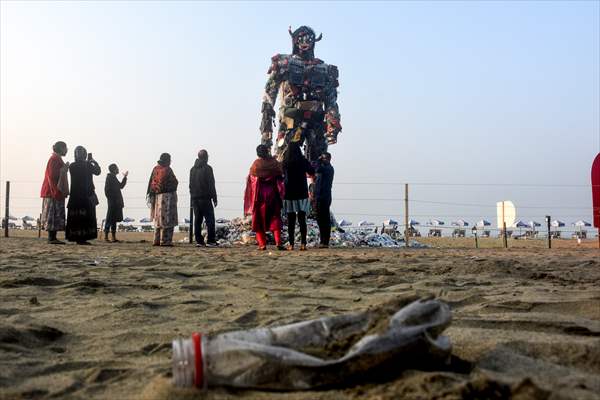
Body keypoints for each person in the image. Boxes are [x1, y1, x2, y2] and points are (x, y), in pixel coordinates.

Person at [244, 144, 285, 251]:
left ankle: (262, 245)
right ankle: (278, 242)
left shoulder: (256, 165)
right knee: (275, 218)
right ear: (267, 151)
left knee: (258, 220)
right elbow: (280, 176)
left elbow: (251, 180)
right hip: (273, 195)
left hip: (259, 197)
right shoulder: (274, 163)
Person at [65, 146, 101, 244]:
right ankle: (83, 238)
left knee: (76, 218)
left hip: (75, 196)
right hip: (87, 195)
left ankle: (76, 237)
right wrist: (93, 162)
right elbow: (98, 171)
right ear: (85, 155)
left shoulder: (72, 166)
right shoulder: (88, 165)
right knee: (86, 218)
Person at [282, 143, 314, 250]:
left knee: (291, 221)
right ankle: (303, 244)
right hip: (301, 193)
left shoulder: (285, 162)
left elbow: (280, 174)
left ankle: (291, 245)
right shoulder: (302, 160)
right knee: (302, 220)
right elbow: (311, 171)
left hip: (289, 194)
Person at [40, 141, 69, 244]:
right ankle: (51, 238)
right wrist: (56, 191)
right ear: (61, 149)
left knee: (54, 214)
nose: (66, 150)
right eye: (65, 148)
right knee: (52, 214)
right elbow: (52, 176)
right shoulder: (54, 159)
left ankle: (53, 237)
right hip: (52, 192)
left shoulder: (56, 158)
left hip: (54, 191)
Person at [147, 153, 178, 246]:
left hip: (157, 197)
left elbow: (152, 183)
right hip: (167, 197)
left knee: (158, 218)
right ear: (167, 160)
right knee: (167, 218)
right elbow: (174, 182)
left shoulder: (155, 169)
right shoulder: (167, 170)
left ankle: (156, 240)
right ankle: (165, 241)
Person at [189, 149, 218, 247]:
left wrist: (192, 196)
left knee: (197, 220)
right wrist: (214, 198)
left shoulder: (192, 169)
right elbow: (211, 184)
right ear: (206, 157)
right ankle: (211, 241)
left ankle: (199, 241)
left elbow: (190, 185)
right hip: (205, 198)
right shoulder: (208, 168)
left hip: (195, 198)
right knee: (210, 220)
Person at [104, 163, 128, 242]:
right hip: (112, 202)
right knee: (110, 218)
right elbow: (107, 191)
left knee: (113, 219)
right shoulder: (110, 177)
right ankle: (106, 237)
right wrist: (112, 199)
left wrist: (125, 177)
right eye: (117, 168)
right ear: (114, 169)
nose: (118, 169)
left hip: (115, 202)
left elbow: (120, 186)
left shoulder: (112, 177)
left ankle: (113, 237)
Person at [315, 152, 334, 248]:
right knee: (320, 219)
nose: (323, 160)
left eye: (324, 158)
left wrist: (319, 160)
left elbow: (317, 168)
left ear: (328, 159)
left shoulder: (328, 169)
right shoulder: (324, 169)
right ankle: (323, 240)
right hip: (319, 196)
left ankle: (325, 241)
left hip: (324, 197)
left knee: (324, 220)